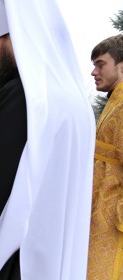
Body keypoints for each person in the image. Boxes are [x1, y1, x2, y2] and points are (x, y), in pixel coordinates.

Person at [0, 0, 96, 279]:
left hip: (19, 261)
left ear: (16, 37)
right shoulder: (77, 103)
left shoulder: (23, 96)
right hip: (55, 254)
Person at [87, 34, 123, 280]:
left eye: (100, 64)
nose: (93, 71)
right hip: (100, 214)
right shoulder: (115, 101)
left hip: (113, 220)